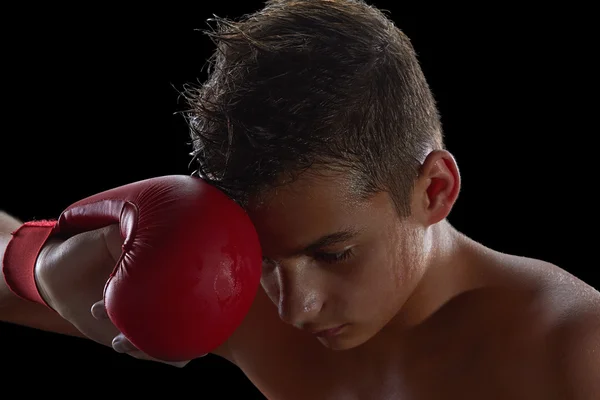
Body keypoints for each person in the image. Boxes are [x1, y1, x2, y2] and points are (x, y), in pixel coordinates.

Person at [2, 0, 599, 398]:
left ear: (434, 190)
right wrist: (39, 264)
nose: (294, 309)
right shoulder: (238, 299)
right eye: (261, 258)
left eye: (334, 253)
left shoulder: (572, 350)